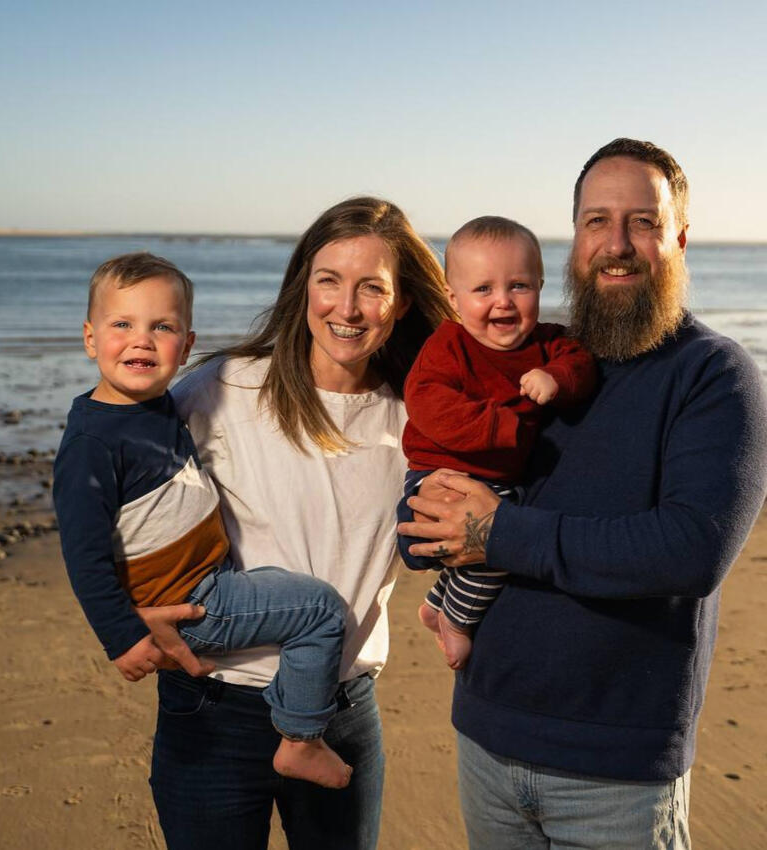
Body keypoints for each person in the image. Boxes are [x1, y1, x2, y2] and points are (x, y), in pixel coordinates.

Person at [398, 139, 767, 849]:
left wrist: (497, 534)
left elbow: (690, 550)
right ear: (575, 240)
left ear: (679, 240)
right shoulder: (535, 358)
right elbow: (439, 482)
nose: (618, 244)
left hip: (615, 771)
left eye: (644, 222)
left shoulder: (712, 374)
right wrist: (423, 521)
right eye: (597, 221)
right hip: (485, 737)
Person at [149, 197, 455, 850]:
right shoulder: (226, 388)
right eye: (329, 281)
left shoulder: (421, 420)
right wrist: (130, 610)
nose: (347, 307)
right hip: (215, 708)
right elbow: (120, 488)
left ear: (402, 302)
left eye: (372, 288)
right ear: (303, 286)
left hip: (341, 712)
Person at [53, 252, 355, 790]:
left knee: (288, 589)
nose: (142, 341)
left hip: (211, 579)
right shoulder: (91, 444)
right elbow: (84, 554)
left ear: (187, 345)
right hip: (194, 601)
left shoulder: (158, 406)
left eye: (162, 327)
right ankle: (301, 738)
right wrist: (122, 637)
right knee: (321, 610)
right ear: (90, 339)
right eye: (121, 325)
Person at [397, 215, 595, 670]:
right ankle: (457, 622)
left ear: (540, 286)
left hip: (498, 477)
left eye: (519, 286)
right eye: (483, 289)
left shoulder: (549, 344)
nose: (502, 301)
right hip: (442, 470)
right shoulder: (448, 346)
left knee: (503, 533)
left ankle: (438, 606)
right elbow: (427, 402)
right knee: (494, 546)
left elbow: (581, 364)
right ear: (453, 298)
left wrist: (555, 377)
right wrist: (503, 429)